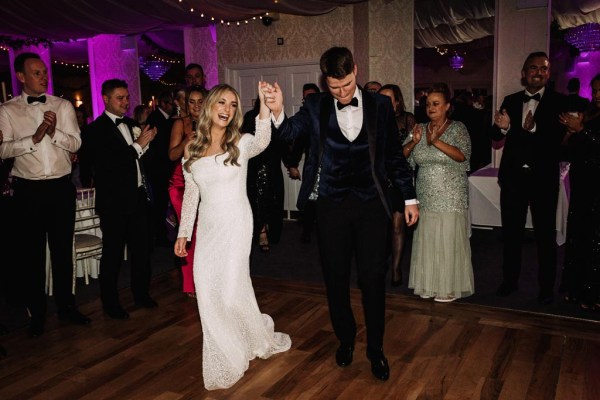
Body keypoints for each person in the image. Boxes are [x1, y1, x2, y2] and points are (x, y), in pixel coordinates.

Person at [265, 47, 419, 381]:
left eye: (347, 85)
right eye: (335, 87)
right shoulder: (316, 105)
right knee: (335, 279)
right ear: (325, 81)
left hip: (370, 206)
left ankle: (376, 349)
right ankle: (346, 339)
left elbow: (393, 156)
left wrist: (409, 197)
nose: (342, 92)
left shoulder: (380, 105)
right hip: (332, 206)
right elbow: (291, 134)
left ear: (356, 71)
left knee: (372, 279)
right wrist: (278, 112)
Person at [174, 83, 291, 390]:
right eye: (222, 103)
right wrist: (184, 232)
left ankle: (234, 349)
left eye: (233, 105)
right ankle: (231, 342)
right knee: (206, 286)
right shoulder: (192, 149)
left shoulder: (241, 141)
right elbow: (191, 195)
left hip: (237, 222)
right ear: (210, 106)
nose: (227, 109)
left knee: (228, 289)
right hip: (209, 226)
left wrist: (265, 107)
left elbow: (265, 140)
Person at [0, 52, 90, 337]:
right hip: (29, 190)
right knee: (33, 256)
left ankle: (67, 307)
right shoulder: (7, 111)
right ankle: (37, 314)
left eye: (44, 72)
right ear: (21, 76)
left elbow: (76, 143)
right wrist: (34, 138)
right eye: (36, 73)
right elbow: (2, 150)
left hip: (62, 188)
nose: (43, 77)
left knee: (64, 251)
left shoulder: (62, 105)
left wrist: (53, 134)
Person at [492, 51, 567, 304]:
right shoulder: (511, 100)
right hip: (513, 179)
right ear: (524, 74)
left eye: (543, 68)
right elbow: (495, 136)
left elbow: (560, 144)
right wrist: (502, 127)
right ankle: (509, 281)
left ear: (548, 73)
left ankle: (546, 287)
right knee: (511, 234)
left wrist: (533, 128)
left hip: (543, 180)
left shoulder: (559, 103)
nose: (538, 72)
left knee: (545, 235)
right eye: (533, 68)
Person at [81, 79, 158, 319]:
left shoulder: (132, 124)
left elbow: (138, 160)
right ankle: (110, 303)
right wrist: (138, 145)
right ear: (105, 98)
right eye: (120, 98)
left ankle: (141, 294)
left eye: (127, 97)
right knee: (112, 254)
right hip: (114, 203)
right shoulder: (95, 130)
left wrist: (146, 145)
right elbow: (108, 166)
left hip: (137, 197)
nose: (126, 102)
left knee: (141, 250)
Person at [403, 83, 474, 302]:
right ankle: (429, 284)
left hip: (451, 194)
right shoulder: (418, 128)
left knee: (448, 240)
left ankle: (448, 287)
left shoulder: (458, 128)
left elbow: (463, 156)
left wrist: (436, 141)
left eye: (436, 104)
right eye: (428, 104)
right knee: (429, 239)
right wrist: (414, 143)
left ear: (447, 106)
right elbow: (402, 157)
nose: (431, 108)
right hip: (425, 193)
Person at [558, 73, 600, 312]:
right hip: (582, 184)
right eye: (594, 90)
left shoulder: (588, 121)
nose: (597, 95)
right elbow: (570, 150)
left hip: (598, 187)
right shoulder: (590, 114)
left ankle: (594, 291)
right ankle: (577, 287)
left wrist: (582, 129)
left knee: (595, 240)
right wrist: (570, 132)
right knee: (580, 237)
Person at [168, 85, 207, 297]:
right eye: (191, 102)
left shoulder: (213, 123)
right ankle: (190, 285)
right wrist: (186, 139)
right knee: (189, 232)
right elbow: (172, 155)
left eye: (200, 101)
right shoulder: (179, 124)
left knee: (206, 233)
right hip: (181, 184)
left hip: (206, 183)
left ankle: (207, 279)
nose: (196, 106)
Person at [378, 84, 416, 286]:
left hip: (399, 180)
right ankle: (381, 264)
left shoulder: (407, 119)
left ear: (397, 101)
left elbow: (410, 152)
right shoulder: (372, 121)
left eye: (388, 99)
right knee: (379, 229)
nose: (383, 103)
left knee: (397, 227)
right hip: (378, 182)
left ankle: (396, 268)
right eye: (380, 98)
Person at [242, 97, 286, 252]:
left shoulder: (277, 117)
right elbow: (244, 141)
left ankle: (271, 231)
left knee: (273, 200)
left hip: (273, 166)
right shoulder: (250, 116)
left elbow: (283, 141)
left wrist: (291, 163)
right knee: (257, 201)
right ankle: (261, 233)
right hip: (254, 166)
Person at [285, 83, 320, 244]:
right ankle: (306, 232)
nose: (308, 100)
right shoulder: (304, 117)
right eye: (306, 98)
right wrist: (292, 165)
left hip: (333, 169)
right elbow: (298, 144)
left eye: (311, 96)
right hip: (312, 168)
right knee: (310, 200)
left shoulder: (329, 112)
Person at [145, 91, 175, 247]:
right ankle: (159, 236)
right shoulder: (156, 119)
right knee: (159, 204)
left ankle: (161, 235)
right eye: (171, 103)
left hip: (163, 168)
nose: (175, 106)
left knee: (162, 203)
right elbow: (159, 148)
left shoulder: (166, 119)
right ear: (163, 104)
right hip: (158, 169)